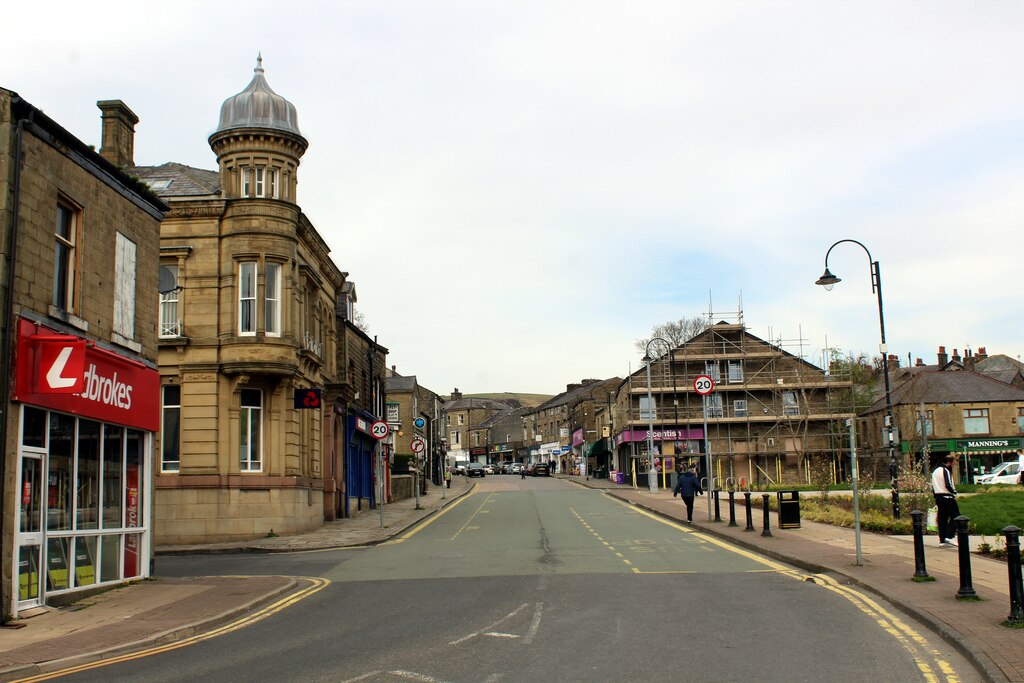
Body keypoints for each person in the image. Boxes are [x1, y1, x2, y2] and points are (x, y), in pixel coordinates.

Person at [931, 454, 960, 547]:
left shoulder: (935, 471)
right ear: (949, 462)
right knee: (956, 516)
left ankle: (942, 540)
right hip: (947, 497)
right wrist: (954, 492)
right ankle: (950, 536)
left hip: (938, 497)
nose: (953, 465)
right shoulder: (946, 470)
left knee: (942, 518)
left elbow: (933, 486)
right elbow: (948, 484)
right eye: (953, 463)